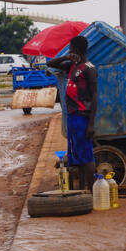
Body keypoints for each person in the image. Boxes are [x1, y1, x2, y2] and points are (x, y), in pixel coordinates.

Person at [46, 35, 98, 191]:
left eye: (70, 48)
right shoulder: (71, 66)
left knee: (87, 157)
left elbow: (95, 96)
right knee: (77, 157)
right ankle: (81, 189)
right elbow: (50, 63)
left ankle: (91, 191)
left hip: (83, 117)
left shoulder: (89, 69)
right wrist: (66, 57)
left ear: (77, 50)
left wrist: (91, 124)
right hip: (72, 117)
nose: (69, 51)